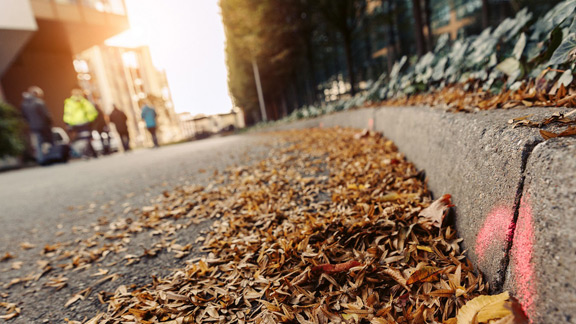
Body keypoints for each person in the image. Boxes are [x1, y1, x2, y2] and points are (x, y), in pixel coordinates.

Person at [20, 86, 54, 164]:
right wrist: (50, 122)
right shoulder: (39, 102)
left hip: (32, 127)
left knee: (38, 143)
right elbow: (46, 115)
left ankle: (40, 159)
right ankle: (51, 156)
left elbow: (24, 116)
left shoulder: (24, 103)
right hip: (43, 125)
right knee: (49, 141)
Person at [63, 88, 99, 158]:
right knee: (86, 138)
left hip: (76, 124)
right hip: (84, 122)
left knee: (83, 138)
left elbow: (67, 114)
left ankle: (87, 152)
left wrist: (68, 124)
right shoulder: (84, 101)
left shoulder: (69, 102)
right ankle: (89, 152)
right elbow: (92, 111)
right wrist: (90, 119)